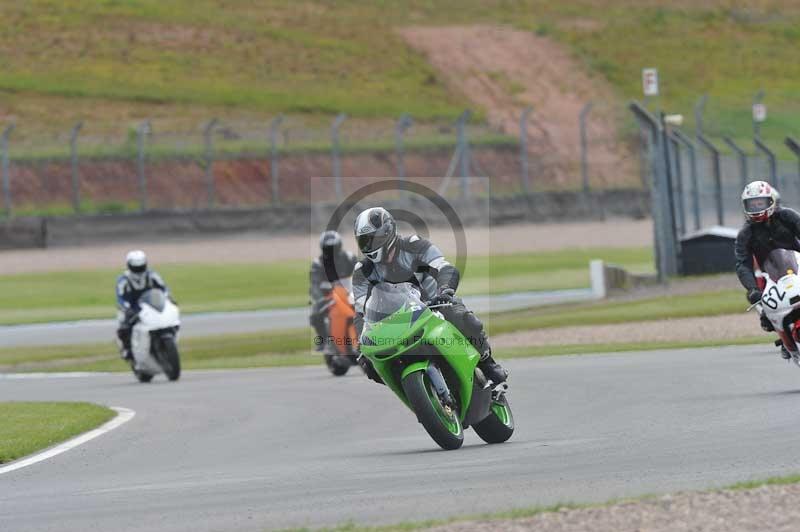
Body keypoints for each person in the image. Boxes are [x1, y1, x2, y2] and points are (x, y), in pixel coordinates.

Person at [351, 207, 508, 384]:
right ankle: (411, 391)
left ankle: (487, 361)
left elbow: (444, 268)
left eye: (373, 239)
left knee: (461, 317)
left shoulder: (415, 245)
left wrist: (445, 290)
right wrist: (361, 343)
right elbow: (360, 311)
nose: (369, 246)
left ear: (388, 232)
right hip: (394, 321)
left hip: (435, 306)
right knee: (371, 364)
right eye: (364, 241)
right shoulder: (362, 271)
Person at [735, 180, 800, 360]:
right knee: (765, 316)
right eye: (752, 204)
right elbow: (742, 264)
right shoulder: (745, 234)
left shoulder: (787, 216)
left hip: (798, 265)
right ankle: (784, 337)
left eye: (760, 203)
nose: (756, 207)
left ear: (770, 201)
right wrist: (752, 289)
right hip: (771, 276)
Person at [116, 250, 170, 361]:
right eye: (136, 267)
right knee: (124, 327)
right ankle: (127, 349)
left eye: (140, 266)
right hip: (132, 308)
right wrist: (127, 308)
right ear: (129, 265)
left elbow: (164, 288)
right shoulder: (123, 280)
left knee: (168, 317)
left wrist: (167, 298)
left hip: (151, 305)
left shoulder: (152, 275)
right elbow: (120, 296)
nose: (138, 270)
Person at [309, 230, 358, 350]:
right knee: (316, 312)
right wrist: (319, 297)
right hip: (329, 296)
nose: (331, 251)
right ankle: (322, 339)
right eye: (328, 248)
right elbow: (315, 284)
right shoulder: (318, 264)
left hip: (350, 294)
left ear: (339, 246)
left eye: (334, 247)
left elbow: (360, 275)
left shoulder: (349, 258)